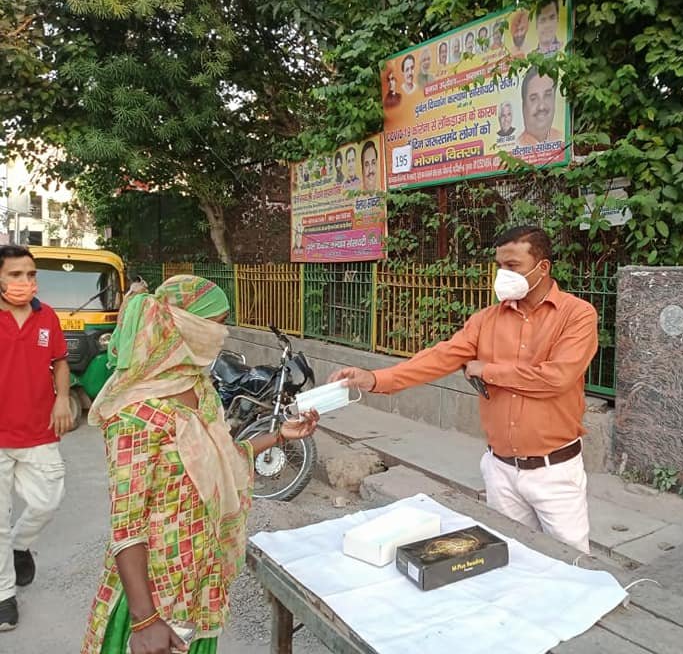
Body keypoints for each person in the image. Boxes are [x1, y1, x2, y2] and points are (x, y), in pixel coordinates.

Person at [80, 276, 318, 654]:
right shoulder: (134, 415)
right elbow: (127, 528)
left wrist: (279, 436)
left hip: (201, 578)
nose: (222, 335)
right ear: (184, 326)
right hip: (155, 593)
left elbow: (223, 457)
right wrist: (144, 620)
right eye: (216, 325)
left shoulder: (200, 390)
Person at [329, 227, 598, 553]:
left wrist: (489, 371)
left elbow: (557, 377)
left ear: (542, 268)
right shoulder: (486, 320)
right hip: (500, 470)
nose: (503, 275)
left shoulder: (577, 315)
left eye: (512, 266)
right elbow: (440, 357)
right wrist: (375, 379)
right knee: (511, 554)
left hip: (554, 473)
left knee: (572, 564)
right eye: (499, 266)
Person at [0, 244, 71, 631]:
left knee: (48, 500)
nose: (25, 282)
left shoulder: (48, 318)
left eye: (30, 274)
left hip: (39, 430)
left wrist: (62, 399)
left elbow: (59, 362)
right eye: (15, 275)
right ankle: (3, 595)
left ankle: (19, 545)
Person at [518, 68, 561, 145]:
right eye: (534, 98)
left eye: (547, 95)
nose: (541, 106)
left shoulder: (561, 138)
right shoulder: (517, 145)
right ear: (523, 107)